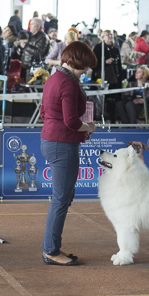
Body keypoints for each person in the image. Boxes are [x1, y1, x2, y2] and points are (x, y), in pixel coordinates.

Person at [39, 41, 97, 266]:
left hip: (51, 139)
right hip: (62, 143)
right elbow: (72, 121)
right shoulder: (69, 84)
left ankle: (50, 246)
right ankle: (51, 250)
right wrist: (89, 127)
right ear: (77, 62)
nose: (86, 72)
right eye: (85, 67)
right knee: (61, 200)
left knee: (62, 198)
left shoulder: (54, 78)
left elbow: (45, 112)